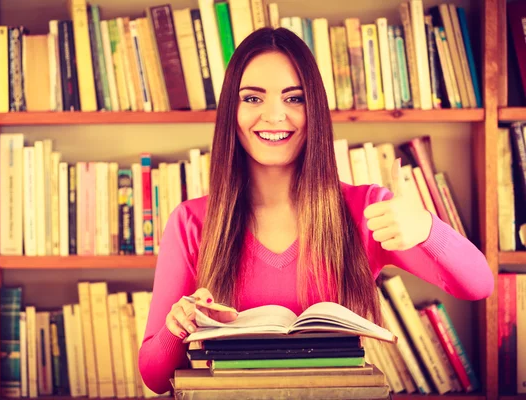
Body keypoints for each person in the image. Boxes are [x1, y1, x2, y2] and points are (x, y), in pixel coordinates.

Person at [137, 27, 493, 395]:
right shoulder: (191, 221)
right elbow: (154, 377)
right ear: (232, 110)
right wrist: (177, 325)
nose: (275, 116)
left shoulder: (366, 209)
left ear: (315, 110)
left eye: (294, 98)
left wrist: (427, 228)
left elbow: (479, 284)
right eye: (252, 98)